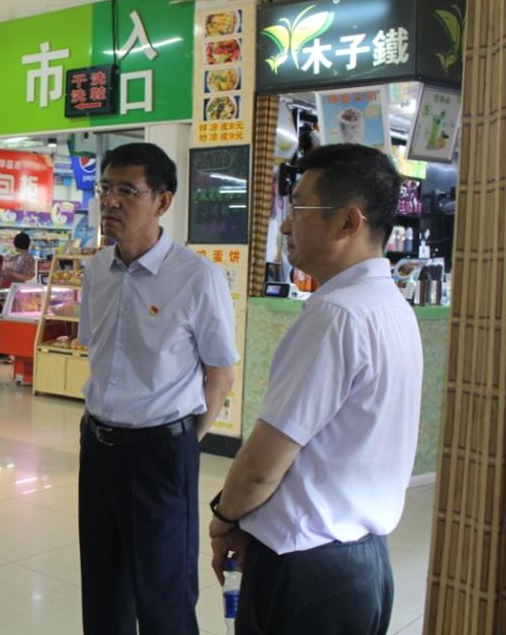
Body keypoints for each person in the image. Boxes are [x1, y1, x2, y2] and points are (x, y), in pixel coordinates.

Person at [209, 144, 421, 635]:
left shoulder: (335, 315)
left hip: (307, 570)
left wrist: (225, 518)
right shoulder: (391, 306)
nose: (285, 225)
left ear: (348, 222)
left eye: (299, 209)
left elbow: (261, 467)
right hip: (364, 564)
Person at [77, 142, 239, 635]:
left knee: (164, 596)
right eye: (106, 188)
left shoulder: (198, 278)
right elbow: (95, 350)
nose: (111, 201)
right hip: (97, 446)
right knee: (102, 590)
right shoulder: (96, 271)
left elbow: (220, 376)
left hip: (161, 453)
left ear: (162, 201)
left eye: (128, 191)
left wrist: (182, 444)